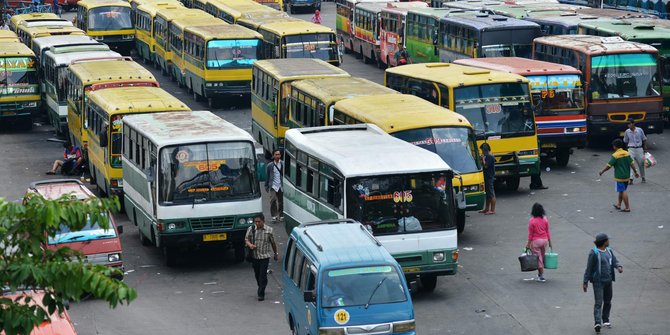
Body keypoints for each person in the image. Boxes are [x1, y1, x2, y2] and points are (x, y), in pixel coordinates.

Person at [582, 233, 623, 333]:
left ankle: (605, 319)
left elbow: (614, 261)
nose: (609, 241)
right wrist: (585, 281)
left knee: (608, 301)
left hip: (608, 281)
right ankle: (597, 323)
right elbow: (589, 268)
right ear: (604, 242)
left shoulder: (609, 251)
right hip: (598, 282)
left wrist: (618, 266)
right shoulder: (594, 253)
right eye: (607, 240)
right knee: (598, 302)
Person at [599, 139, 639, 212]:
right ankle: (619, 205)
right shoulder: (627, 153)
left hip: (619, 177)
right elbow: (632, 164)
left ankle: (627, 207)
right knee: (621, 190)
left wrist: (602, 171)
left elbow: (609, 166)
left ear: (615, 147)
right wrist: (635, 172)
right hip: (627, 176)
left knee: (623, 190)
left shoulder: (615, 155)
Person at [245, 214, 279, 301]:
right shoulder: (251, 229)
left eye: (259, 221)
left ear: (263, 221)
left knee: (262, 275)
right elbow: (246, 239)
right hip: (255, 257)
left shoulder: (269, 230)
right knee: (257, 274)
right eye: (256, 222)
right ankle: (261, 285)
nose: (257, 223)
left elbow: (273, 243)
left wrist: (275, 254)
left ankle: (261, 294)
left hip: (265, 256)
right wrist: (250, 245)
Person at [525, 203, 552, 282]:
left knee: (538, 259)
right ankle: (540, 274)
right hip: (544, 241)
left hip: (536, 242)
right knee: (542, 257)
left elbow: (531, 235)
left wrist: (528, 245)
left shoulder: (532, 221)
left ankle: (541, 276)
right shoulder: (545, 219)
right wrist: (550, 242)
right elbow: (547, 231)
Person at [622, 119, 647, 184]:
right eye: (628, 124)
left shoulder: (639, 130)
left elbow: (644, 139)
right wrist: (626, 150)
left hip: (639, 148)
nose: (629, 125)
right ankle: (631, 179)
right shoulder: (627, 131)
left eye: (630, 124)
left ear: (633, 124)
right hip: (631, 149)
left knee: (641, 164)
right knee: (631, 164)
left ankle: (643, 177)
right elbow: (625, 141)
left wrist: (645, 148)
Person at [264, 150, 284, 222]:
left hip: (281, 186)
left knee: (281, 202)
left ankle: (281, 215)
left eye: (279, 154)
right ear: (273, 156)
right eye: (276, 154)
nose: (278, 156)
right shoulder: (270, 165)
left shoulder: (283, 164)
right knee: (273, 200)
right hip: (273, 186)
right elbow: (267, 176)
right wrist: (266, 186)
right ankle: (274, 216)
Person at [479, 142, 496, 215]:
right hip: (486, 177)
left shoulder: (490, 157)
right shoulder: (486, 156)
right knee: (487, 194)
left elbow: (486, 166)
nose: (482, 151)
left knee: (491, 194)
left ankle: (492, 210)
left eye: (482, 150)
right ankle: (486, 209)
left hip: (489, 177)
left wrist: (482, 159)